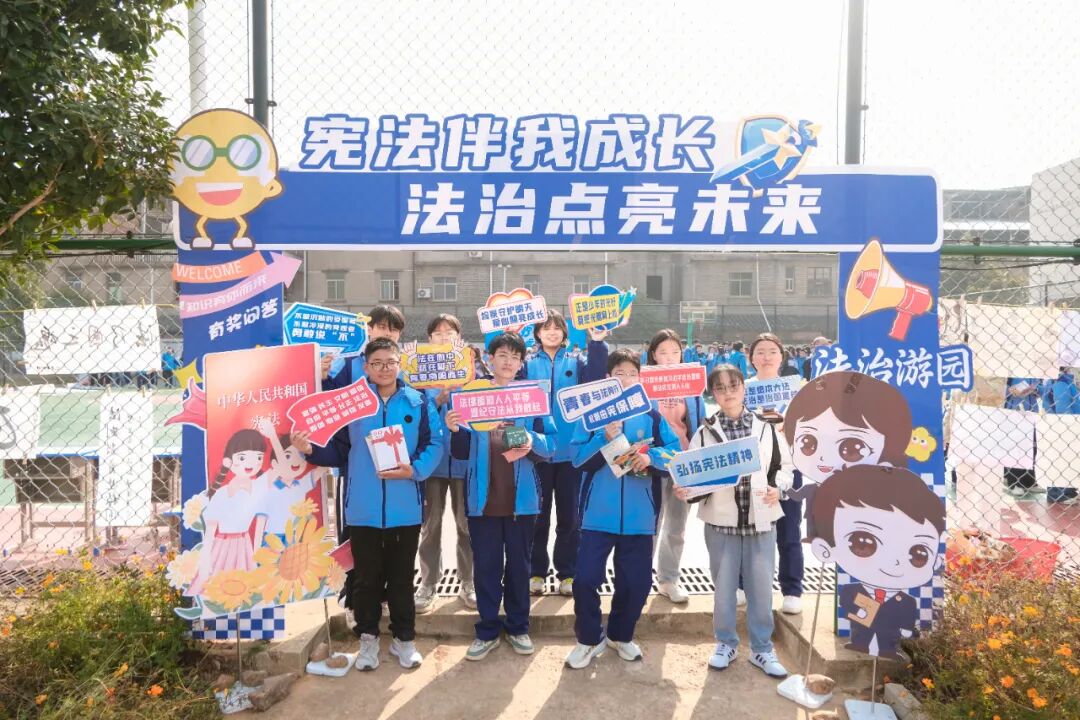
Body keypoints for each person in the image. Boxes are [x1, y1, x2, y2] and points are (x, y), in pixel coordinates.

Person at [295, 337, 445, 671]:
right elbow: (338, 449)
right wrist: (310, 450)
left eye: (390, 362)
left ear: (399, 364)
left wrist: (415, 470)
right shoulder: (353, 404)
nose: (384, 369)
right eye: (377, 363)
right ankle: (368, 640)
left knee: (402, 578)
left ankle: (404, 640)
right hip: (362, 509)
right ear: (366, 368)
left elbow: (435, 442)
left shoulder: (418, 401)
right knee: (366, 579)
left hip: (405, 509)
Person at [674, 364, 792, 677]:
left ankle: (762, 649)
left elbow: (785, 467)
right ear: (712, 393)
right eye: (720, 387)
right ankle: (725, 643)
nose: (728, 392)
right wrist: (684, 489)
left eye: (733, 385)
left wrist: (778, 488)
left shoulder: (766, 427)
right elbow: (693, 477)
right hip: (721, 523)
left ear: (743, 387)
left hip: (761, 520)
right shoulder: (704, 432)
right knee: (724, 589)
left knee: (761, 588)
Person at [565, 349, 681, 668]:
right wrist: (603, 438)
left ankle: (620, 635)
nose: (626, 379)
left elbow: (674, 453)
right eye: (619, 373)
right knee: (585, 580)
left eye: (632, 373)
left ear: (640, 378)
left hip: (640, 519)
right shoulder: (593, 415)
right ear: (608, 378)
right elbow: (577, 459)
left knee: (636, 583)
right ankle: (589, 639)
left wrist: (650, 458)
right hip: (596, 517)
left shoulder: (652, 416)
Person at [446, 332, 556, 661]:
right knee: (487, 567)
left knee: (520, 567)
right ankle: (488, 630)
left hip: (522, 502)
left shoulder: (531, 396)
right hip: (482, 501)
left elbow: (550, 446)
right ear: (490, 359)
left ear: (521, 363)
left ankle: (519, 627)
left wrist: (529, 438)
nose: (508, 362)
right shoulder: (472, 396)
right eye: (502, 355)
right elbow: (461, 452)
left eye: (515, 357)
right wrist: (454, 429)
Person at [808, 466, 946, 660]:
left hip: (889, 634)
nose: (894, 561)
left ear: (935, 561)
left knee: (887, 642)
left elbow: (907, 618)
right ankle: (860, 643)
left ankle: (888, 649)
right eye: (863, 543)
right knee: (861, 638)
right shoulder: (852, 590)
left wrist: (906, 630)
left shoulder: (907, 601)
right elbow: (846, 602)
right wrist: (861, 610)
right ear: (826, 548)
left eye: (918, 553)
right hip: (861, 631)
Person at [319, 305, 406, 609]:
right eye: (381, 327)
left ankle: (386, 589)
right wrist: (323, 375)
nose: (387, 333)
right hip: (355, 461)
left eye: (393, 329)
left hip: (395, 459)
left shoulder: (404, 365)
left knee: (394, 529)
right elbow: (329, 398)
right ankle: (354, 588)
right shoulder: (350, 364)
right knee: (354, 529)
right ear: (369, 329)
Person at [523, 311, 608, 597]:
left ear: (565, 332)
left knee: (570, 518)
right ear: (537, 333)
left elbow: (596, 378)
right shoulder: (527, 364)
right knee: (537, 516)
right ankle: (536, 571)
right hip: (537, 452)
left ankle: (567, 572)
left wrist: (597, 343)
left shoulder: (576, 361)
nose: (552, 332)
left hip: (570, 453)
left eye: (557, 327)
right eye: (546, 327)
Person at [415, 314, 476, 613]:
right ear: (429, 340)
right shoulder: (418, 374)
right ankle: (428, 583)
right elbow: (413, 415)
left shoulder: (471, 372)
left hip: (464, 464)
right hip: (432, 465)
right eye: (437, 333)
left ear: (459, 338)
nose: (443, 337)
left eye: (449, 332)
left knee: (467, 525)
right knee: (431, 525)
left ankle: (469, 581)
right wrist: (437, 401)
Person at [647, 329, 707, 604]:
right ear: (653, 355)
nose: (670, 357)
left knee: (677, 524)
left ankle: (668, 579)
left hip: (684, 462)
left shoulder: (691, 385)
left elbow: (700, 425)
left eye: (675, 352)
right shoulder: (644, 383)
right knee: (650, 523)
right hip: (654, 461)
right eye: (663, 352)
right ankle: (640, 577)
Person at [747, 333, 803, 614]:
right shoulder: (744, 389)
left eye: (772, 351)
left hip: (788, 467)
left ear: (782, 357)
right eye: (760, 352)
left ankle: (792, 589)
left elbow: (808, 429)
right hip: (753, 468)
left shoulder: (796, 390)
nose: (766, 357)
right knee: (748, 530)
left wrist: (787, 425)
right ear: (751, 358)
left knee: (789, 529)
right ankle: (745, 585)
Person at [1003, 376, 1043, 497]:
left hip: (1032, 412)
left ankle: (1029, 481)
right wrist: (1009, 390)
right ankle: (1014, 483)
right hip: (1014, 411)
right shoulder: (1010, 371)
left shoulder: (1035, 371)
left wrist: (1035, 389)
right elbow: (997, 387)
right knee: (1016, 448)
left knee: (1032, 447)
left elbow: (1043, 389)